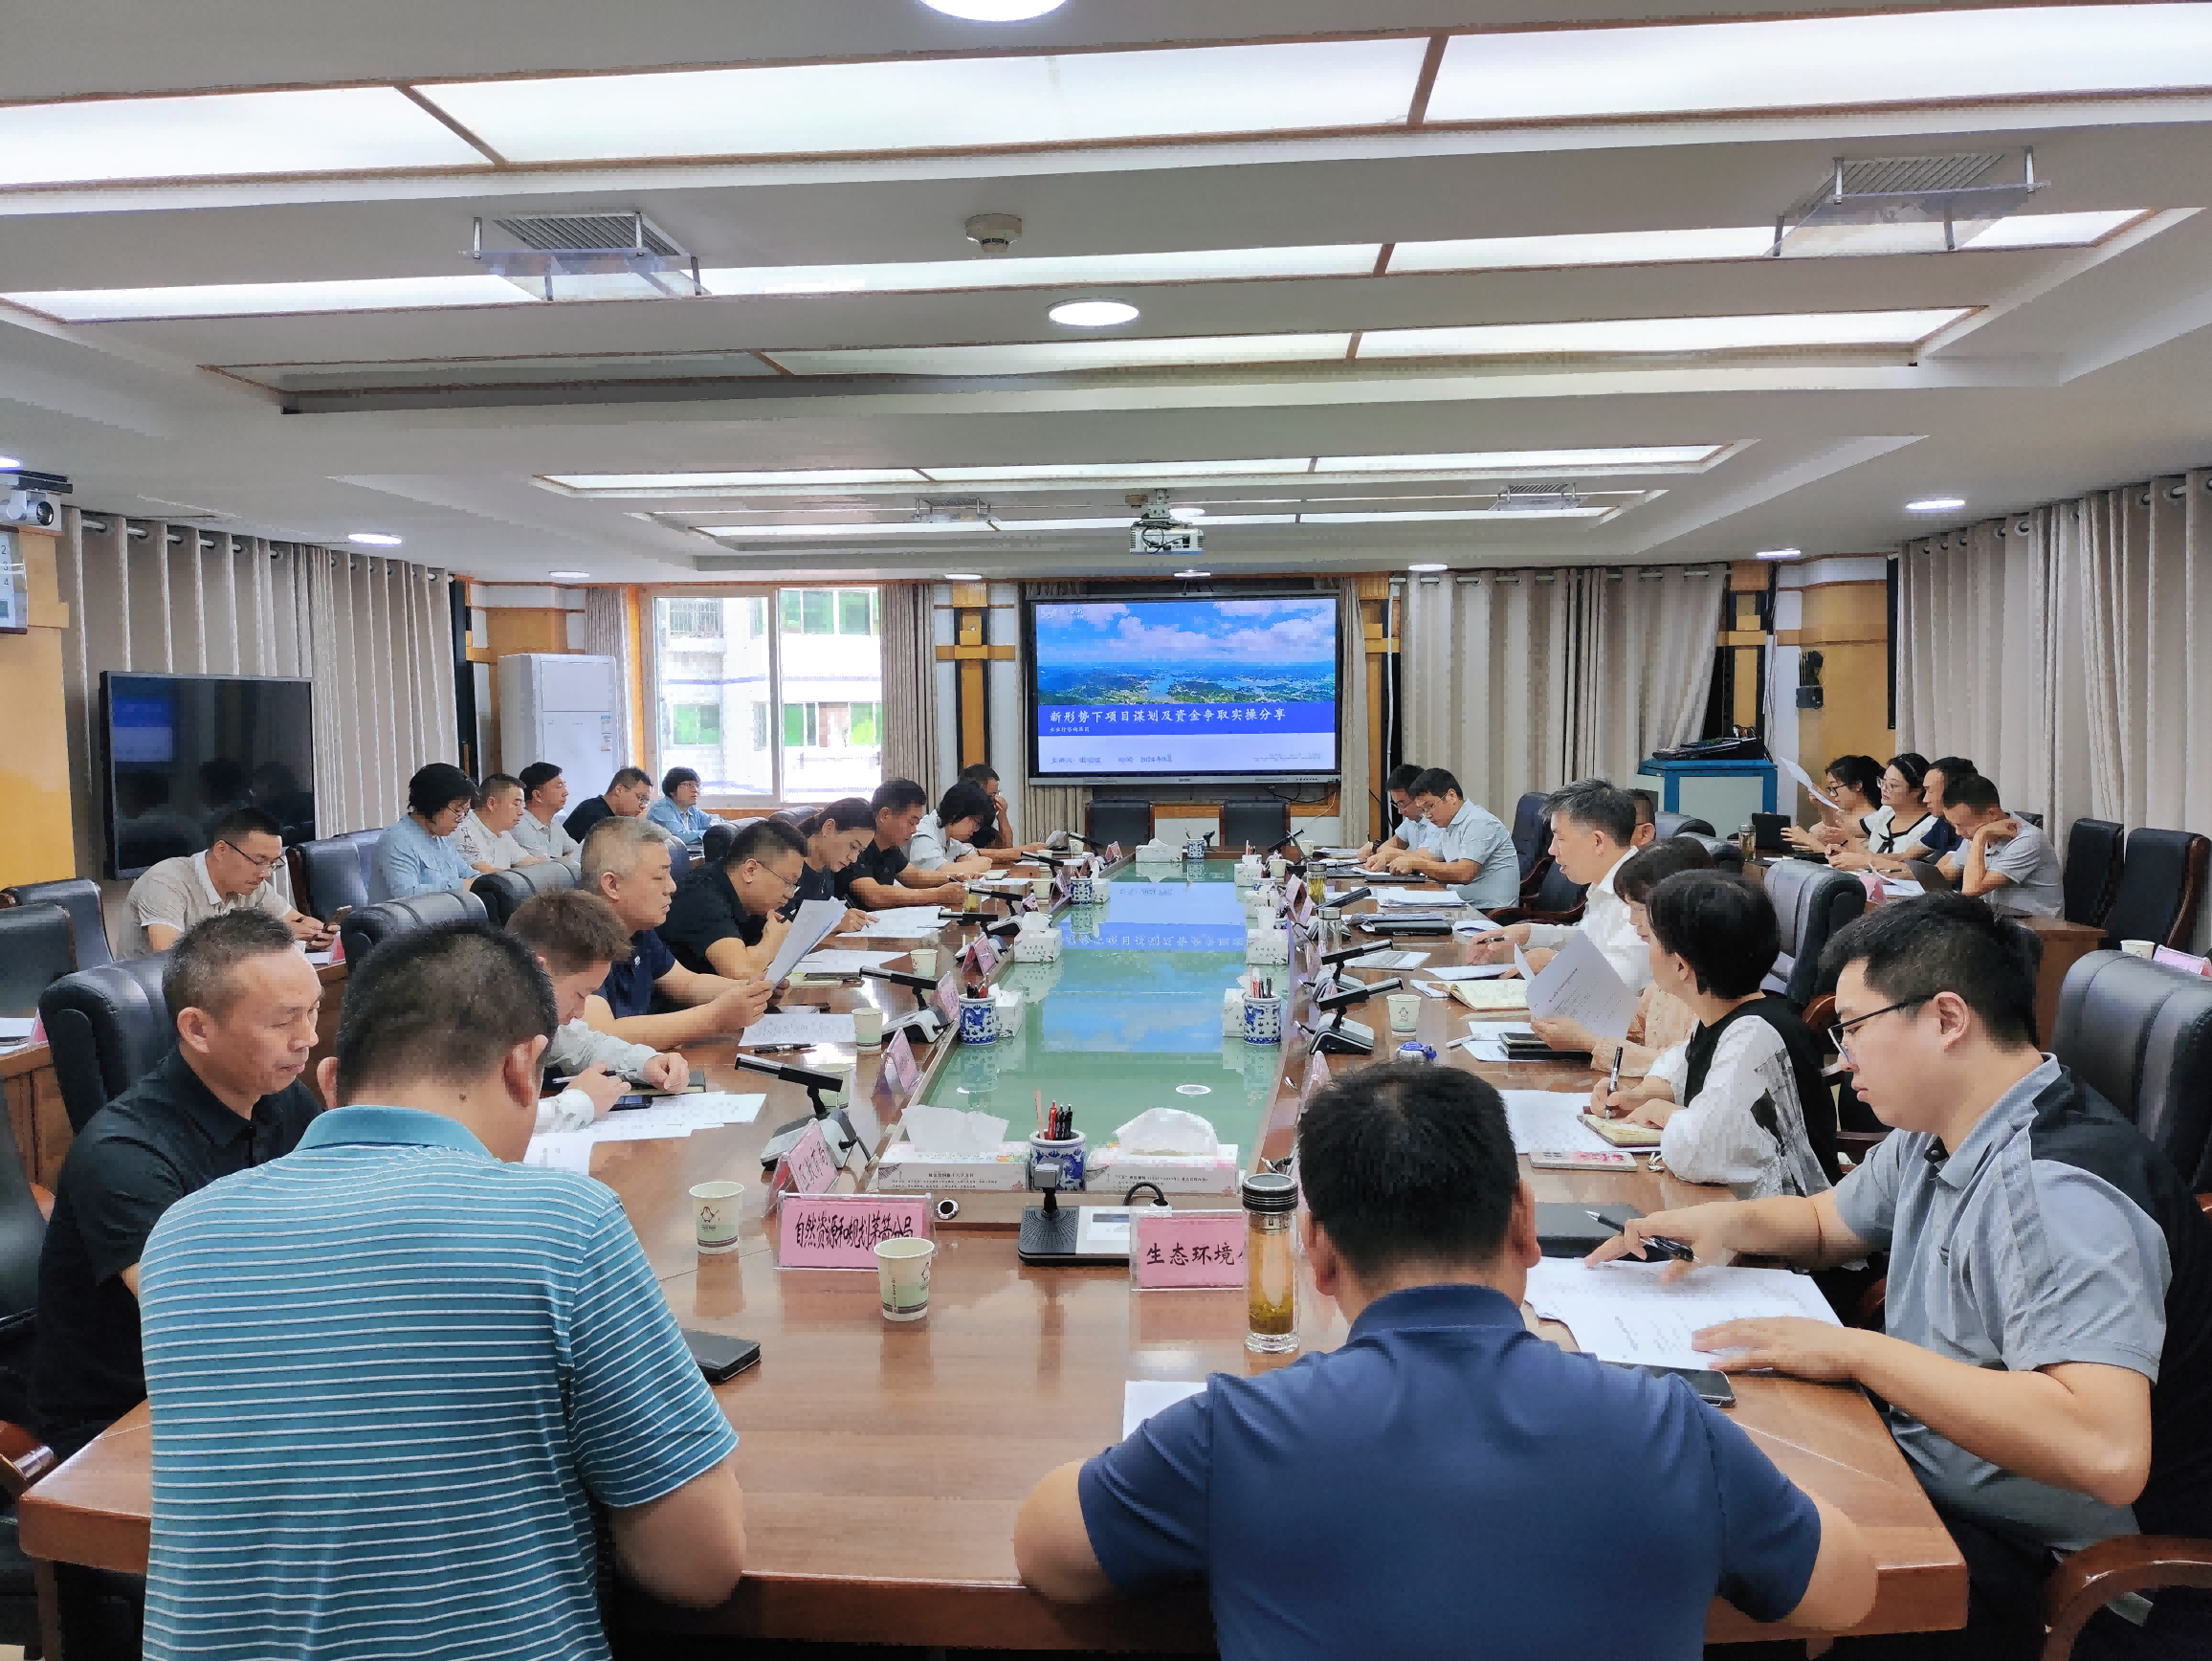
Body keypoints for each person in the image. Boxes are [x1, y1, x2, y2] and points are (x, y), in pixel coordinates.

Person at [1012, 1061, 1876, 1657]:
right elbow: (1845, 1590)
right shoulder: (1671, 1428)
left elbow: (1046, 1549)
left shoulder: (1231, 1434)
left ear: (1315, 1251)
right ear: (1525, 1223)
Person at [1593, 895, 2212, 1660]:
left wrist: (1856, 1353)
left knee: (1723, 1567)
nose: (1842, 1057)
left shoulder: (2057, 1192)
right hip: (1935, 1477)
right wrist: (1724, 1225)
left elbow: (2106, 1452)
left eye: (1853, 1027)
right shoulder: (1942, 1127)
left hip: (2062, 1573)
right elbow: (1827, 1222)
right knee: (1703, 1497)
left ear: (1947, 1019)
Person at [136, 921, 746, 1661]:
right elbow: (699, 1567)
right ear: (523, 1069)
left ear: (329, 1085)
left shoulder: (180, 1236)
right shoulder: (564, 1222)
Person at [32, 913, 324, 1466]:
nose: (307, 1038)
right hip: (127, 1421)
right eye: (283, 1021)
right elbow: (201, 1324)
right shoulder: (123, 1154)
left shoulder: (281, 1099)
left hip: (244, 1389)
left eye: (312, 1011)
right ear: (197, 1029)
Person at [1590, 872, 1840, 1199]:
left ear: (1681, 967)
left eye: (1650, 940)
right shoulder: (1724, 1015)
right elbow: (1683, 1067)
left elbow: (1703, 1151)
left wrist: (1664, 1113)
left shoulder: (1754, 1035)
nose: (1646, 947)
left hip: (1791, 1219)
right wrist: (1639, 1096)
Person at [577, 817, 772, 1049]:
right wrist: (714, 1017)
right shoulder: (574, 939)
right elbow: (603, 1035)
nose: (672, 886)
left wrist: (751, 988)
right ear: (612, 885)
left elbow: (686, 984)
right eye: (659, 877)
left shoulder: (637, 928)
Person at [508, 889, 689, 1133]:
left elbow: (586, 1047)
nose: (581, 1012)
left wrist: (648, 1063)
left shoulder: (533, 1011)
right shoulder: (471, 1020)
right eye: (580, 995)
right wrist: (577, 1103)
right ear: (537, 972)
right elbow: (484, 1126)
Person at [1532, 836, 1710, 1066]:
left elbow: (1681, 1066)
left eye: (1638, 909)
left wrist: (1590, 1042)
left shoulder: (1708, 981)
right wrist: (1573, 1024)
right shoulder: (1667, 967)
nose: (1633, 920)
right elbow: (1638, 1022)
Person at [1471, 779, 1648, 989]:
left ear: (1598, 841)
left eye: (1560, 838)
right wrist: (1527, 933)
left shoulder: (1642, 891)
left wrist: (1553, 962)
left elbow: (1626, 981)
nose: (1551, 850)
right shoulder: (1607, 882)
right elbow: (1588, 940)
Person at [122, 805, 331, 956]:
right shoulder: (165, 882)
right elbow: (171, 958)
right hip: (154, 998)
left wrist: (314, 934)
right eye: (259, 861)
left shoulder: (251, 884)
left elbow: (294, 920)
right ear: (221, 850)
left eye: (272, 863)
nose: (265, 873)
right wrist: (266, 935)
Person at [659, 816, 808, 981]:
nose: (789, 894)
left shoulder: (752, 900)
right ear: (750, 870)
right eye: (787, 882)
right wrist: (773, 940)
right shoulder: (701, 896)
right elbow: (741, 973)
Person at [1380, 767, 1520, 910]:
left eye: (1430, 807)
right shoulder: (1447, 826)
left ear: (1451, 796)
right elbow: (1425, 857)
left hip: (1489, 912)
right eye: (1423, 811)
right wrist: (1395, 859)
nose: (1427, 815)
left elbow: (1464, 874)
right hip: (1462, 905)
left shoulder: (1480, 822)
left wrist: (1415, 863)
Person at [1937, 772, 2064, 918]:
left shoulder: (2027, 839)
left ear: (1992, 813)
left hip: (2037, 926)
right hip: (1998, 918)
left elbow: (1970, 891)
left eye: (1961, 825)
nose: (1958, 832)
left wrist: (1980, 835)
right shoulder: (1973, 833)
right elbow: (1948, 874)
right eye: (1953, 825)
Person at [369, 762, 479, 901]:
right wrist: (463, 886)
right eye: (457, 811)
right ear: (432, 803)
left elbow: (468, 874)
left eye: (465, 812)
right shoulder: (396, 839)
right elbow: (407, 894)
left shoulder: (441, 837)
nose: (460, 819)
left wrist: (489, 882)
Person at [848, 779, 964, 911]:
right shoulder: (857, 845)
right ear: (884, 815)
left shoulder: (890, 846)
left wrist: (955, 877)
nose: (914, 830)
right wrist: (936, 895)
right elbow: (874, 895)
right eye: (911, 823)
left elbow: (914, 877)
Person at [1830, 754, 1939, 873]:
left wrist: (1854, 848)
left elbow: (1903, 864)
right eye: (1883, 781)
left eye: (1892, 785)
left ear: (1916, 791)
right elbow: (1850, 831)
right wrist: (1846, 852)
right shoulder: (1887, 811)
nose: (1883, 788)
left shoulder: (1931, 825)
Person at [791, 796, 876, 932]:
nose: (854, 858)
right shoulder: (787, 868)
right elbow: (775, 928)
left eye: (860, 851)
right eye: (853, 846)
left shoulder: (828, 867)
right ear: (829, 827)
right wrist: (830, 924)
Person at [1784, 754, 1883, 855]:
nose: (1832, 794)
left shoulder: (1877, 820)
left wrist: (1808, 841)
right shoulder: (1841, 813)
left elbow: (1845, 857)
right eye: (1830, 789)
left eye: (1834, 787)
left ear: (1857, 785)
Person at [452, 772, 547, 875]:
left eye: (522, 805)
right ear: (491, 803)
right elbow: (488, 874)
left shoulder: (502, 832)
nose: (522, 812)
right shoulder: (463, 829)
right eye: (516, 804)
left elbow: (531, 863)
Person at [903, 780, 997, 882]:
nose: (975, 830)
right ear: (958, 811)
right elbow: (938, 874)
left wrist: (965, 862)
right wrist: (978, 865)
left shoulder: (948, 835)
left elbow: (970, 852)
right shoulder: (925, 835)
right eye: (976, 822)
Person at [957, 763, 1050, 865]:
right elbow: (967, 854)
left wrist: (1002, 816)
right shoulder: (957, 817)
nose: (995, 800)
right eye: (991, 796)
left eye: (996, 794)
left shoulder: (981, 820)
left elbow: (1004, 847)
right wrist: (1024, 851)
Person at [1355, 764, 1427, 865]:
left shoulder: (1437, 821)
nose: (1400, 811)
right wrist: (1374, 850)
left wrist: (1377, 849)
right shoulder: (1411, 820)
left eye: (1402, 804)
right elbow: (1392, 845)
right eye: (1397, 805)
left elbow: (1425, 858)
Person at [564, 765, 653, 844]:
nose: (643, 806)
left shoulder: (618, 818)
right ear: (619, 790)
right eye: (641, 798)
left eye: (646, 802)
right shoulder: (592, 813)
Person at [512, 761, 582, 860]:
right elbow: (545, 866)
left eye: (564, 785)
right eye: (559, 786)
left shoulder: (554, 823)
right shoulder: (518, 825)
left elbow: (579, 853)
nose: (566, 792)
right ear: (537, 795)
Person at [648, 766, 714, 841]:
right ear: (672, 790)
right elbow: (680, 837)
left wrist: (717, 831)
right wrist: (711, 834)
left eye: (697, 785)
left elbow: (714, 823)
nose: (695, 790)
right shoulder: (660, 810)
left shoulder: (692, 810)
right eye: (688, 785)